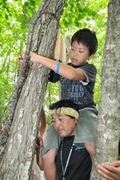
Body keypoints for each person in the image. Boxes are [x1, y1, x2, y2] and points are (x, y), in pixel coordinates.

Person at [21, 28, 98, 180]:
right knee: (48, 153)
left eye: (80, 51)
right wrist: (25, 64)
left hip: (85, 111)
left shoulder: (89, 69)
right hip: (64, 113)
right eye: (73, 49)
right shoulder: (63, 67)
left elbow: (72, 74)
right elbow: (43, 72)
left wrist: (38, 57)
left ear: (91, 55)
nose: (74, 54)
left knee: (93, 147)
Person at [36, 99, 92, 180]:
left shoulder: (87, 142)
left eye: (61, 119)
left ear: (75, 119)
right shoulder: (58, 143)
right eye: (53, 121)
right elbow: (42, 166)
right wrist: (39, 149)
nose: (57, 125)